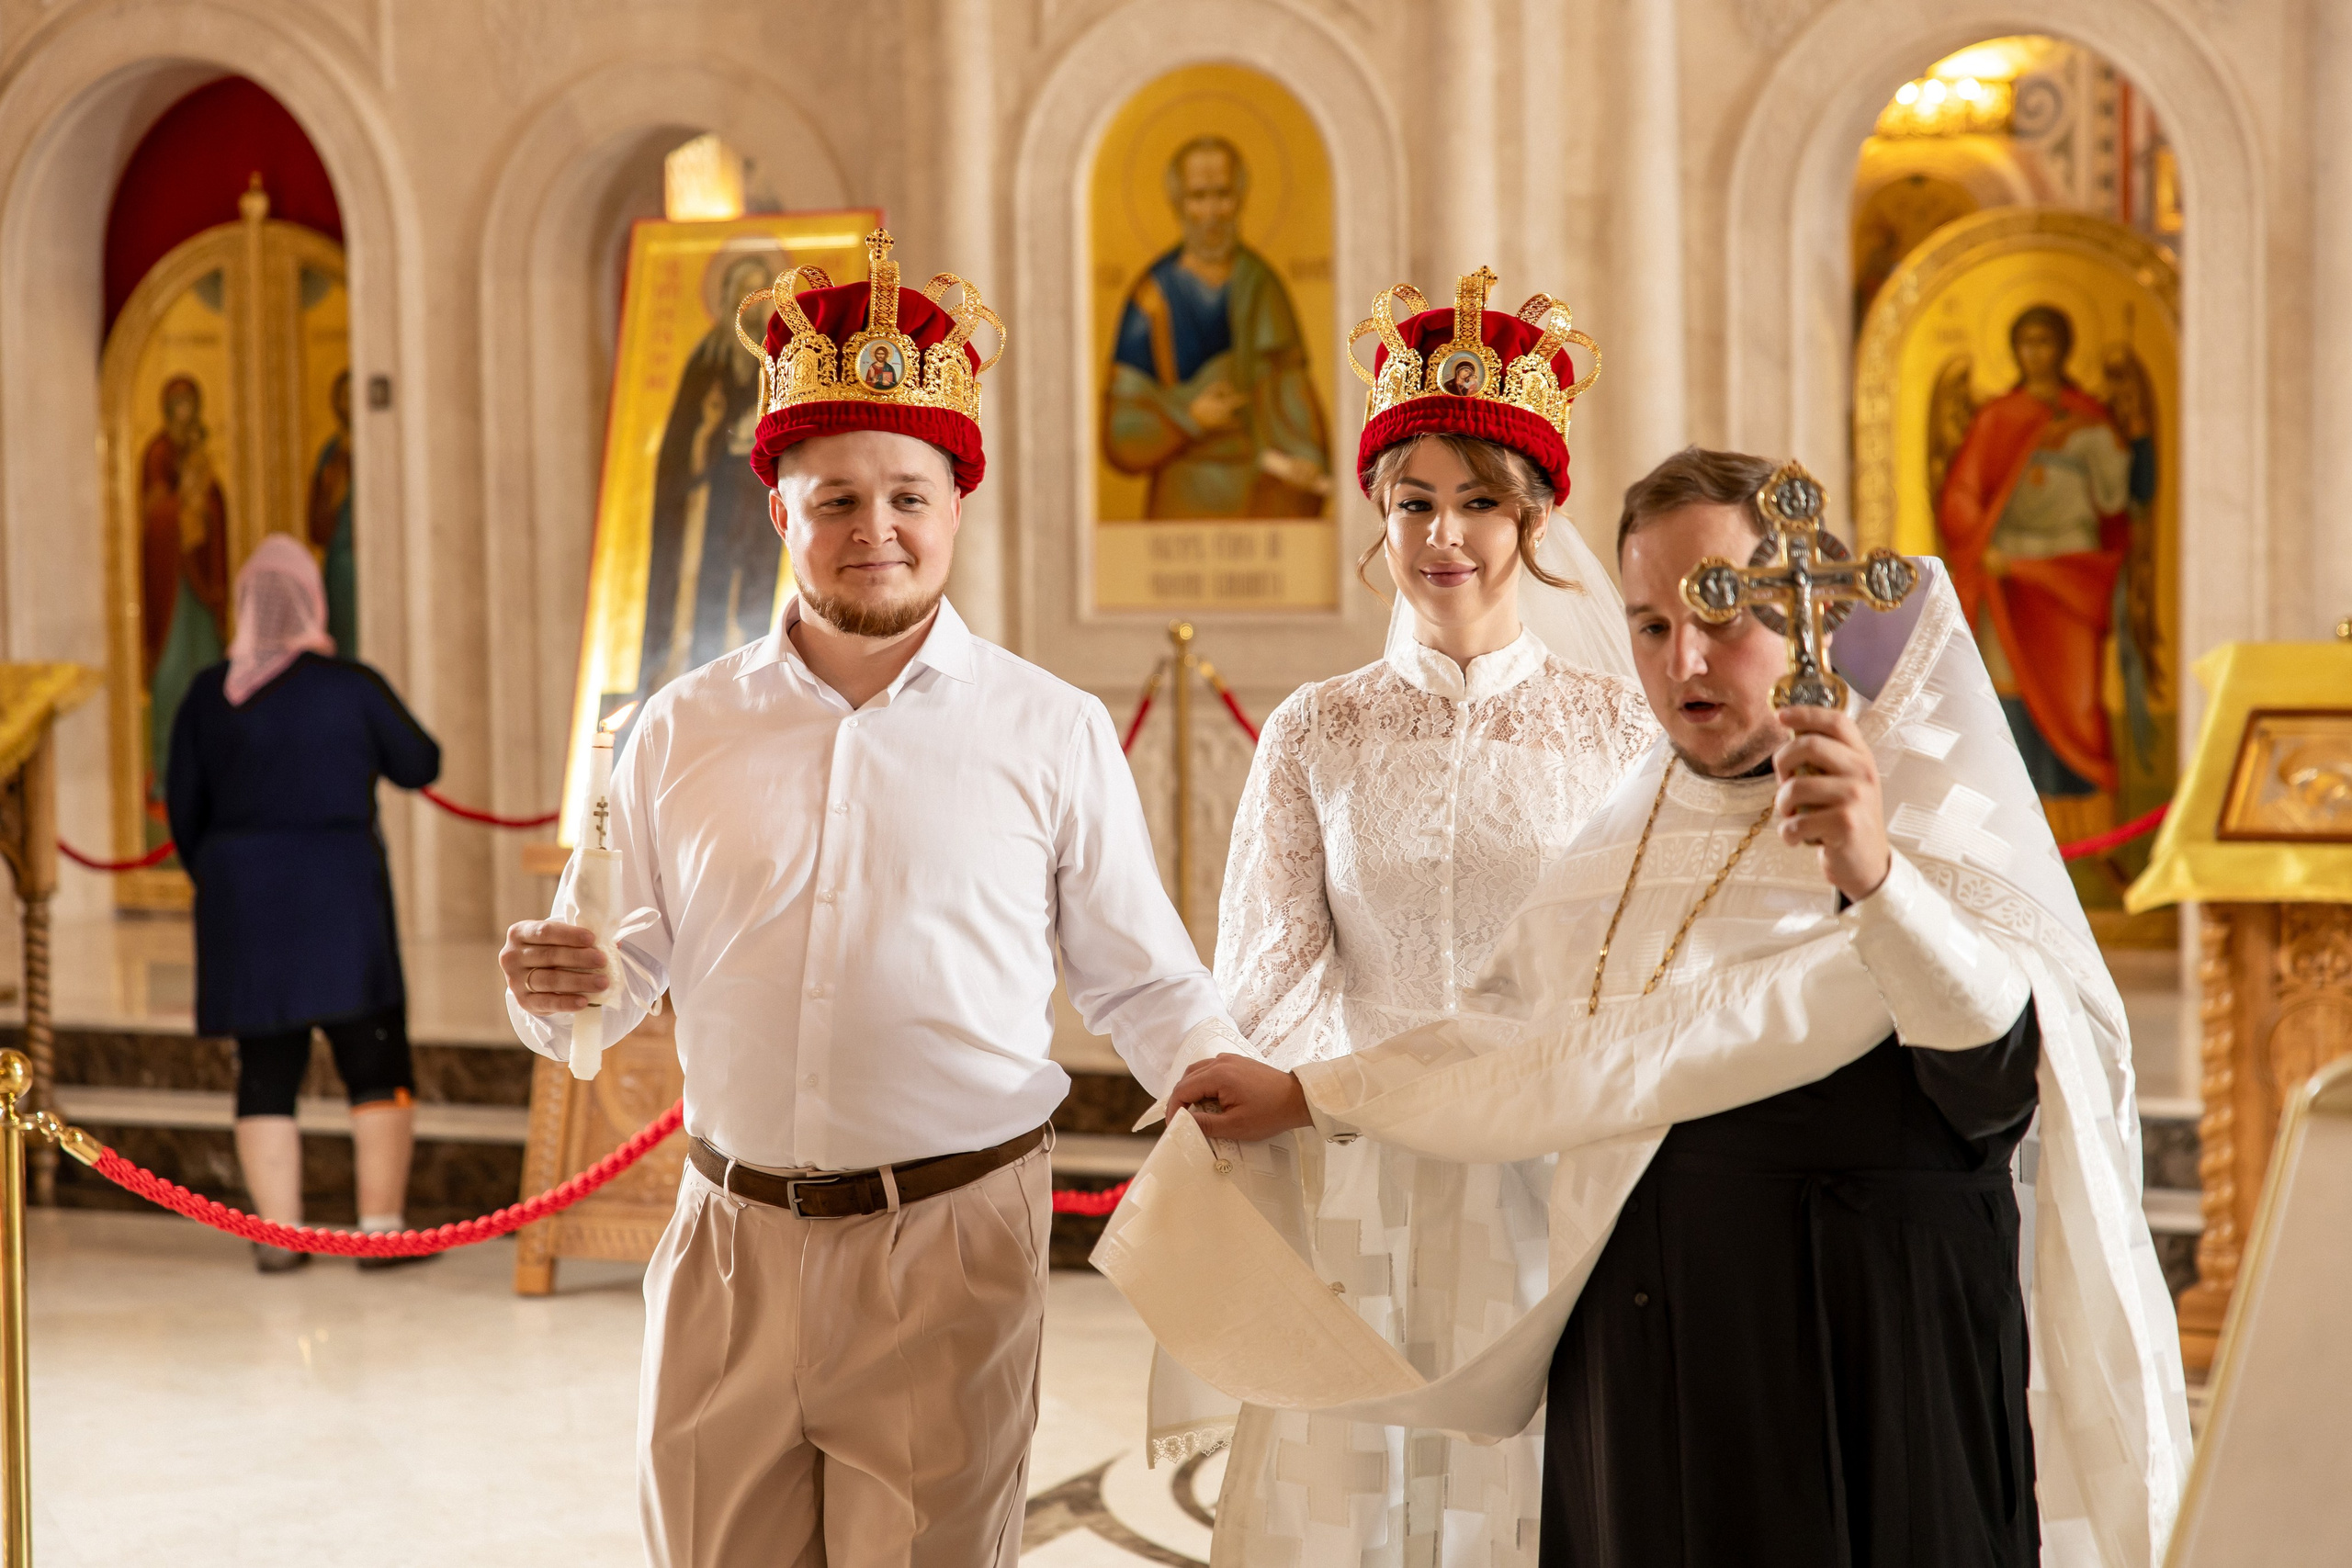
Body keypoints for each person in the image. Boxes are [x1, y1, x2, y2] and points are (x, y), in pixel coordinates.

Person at [1105, 447, 2190, 1567]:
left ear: (1809, 612)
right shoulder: (1623, 829)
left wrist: (1876, 878)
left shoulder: (1912, 800)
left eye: (1723, 612)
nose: (1687, 661)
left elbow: (1992, 1071)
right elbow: (1510, 1041)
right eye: (1650, 625)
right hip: (1635, 1374)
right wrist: (1305, 1093)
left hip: (1858, 1362)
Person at [499, 231, 1241, 1568]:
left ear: (958, 502)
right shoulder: (676, 729)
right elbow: (617, 968)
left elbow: (1139, 973)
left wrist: (1240, 1081)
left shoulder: (1049, 728)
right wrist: (560, 987)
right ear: (777, 509)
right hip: (728, 1240)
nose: (875, 530)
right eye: (834, 497)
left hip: (946, 1244)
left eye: (908, 493)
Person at [1177, 267, 1654, 1563]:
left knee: (1542, 1494)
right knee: (1360, 1506)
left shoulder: (1616, 727)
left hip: (1550, 1177)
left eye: (1482, 503)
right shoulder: (1315, 729)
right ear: (1376, 513)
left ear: (1538, 514)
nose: (1446, 537)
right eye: (1414, 502)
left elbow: (1631, 974)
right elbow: (1267, 976)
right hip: (1361, 1176)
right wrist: (1265, 1098)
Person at [165, 535, 442, 1274]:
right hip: (341, 896)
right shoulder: (350, 686)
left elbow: (183, 813)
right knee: (373, 1056)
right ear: (313, 601)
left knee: (265, 1065)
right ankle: (380, 1232)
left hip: (245, 904)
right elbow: (421, 761)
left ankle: (279, 1239)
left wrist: (232, 878)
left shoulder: (206, 695)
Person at [1103, 134, 1331, 517]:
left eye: (1222, 195)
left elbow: (1289, 388)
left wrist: (1305, 454)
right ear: (1179, 205)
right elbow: (1121, 431)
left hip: (1261, 495)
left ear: (1239, 200)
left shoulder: (1261, 285)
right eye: (1198, 197)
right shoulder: (1153, 299)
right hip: (1182, 497)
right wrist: (1189, 418)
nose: (1212, 212)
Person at [142, 375, 231, 807]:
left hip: (201, 596)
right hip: (171, 589)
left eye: (189, 406)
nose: (184, 415)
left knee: (208, 677)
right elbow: (153, 516)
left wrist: (206, 508)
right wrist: (184, 510)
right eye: (176, 406)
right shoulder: (157, 455)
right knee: (172, 678)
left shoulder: (200, 455)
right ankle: (166, 777)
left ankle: (216, 774)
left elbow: (217, 506)